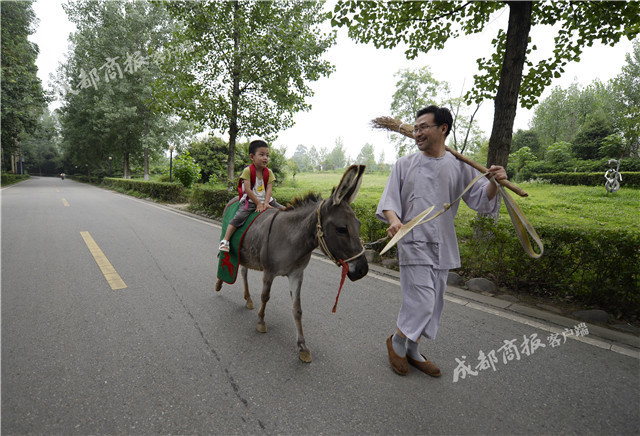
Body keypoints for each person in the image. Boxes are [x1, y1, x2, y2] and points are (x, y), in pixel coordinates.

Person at [376, 105, 508, 377]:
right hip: (413, 241)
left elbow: (482, 200)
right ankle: (397, 342)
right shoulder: (404, 164)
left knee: (434, 303)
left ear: (443, 129)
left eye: (424, 127)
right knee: (421, 301)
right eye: (415, 128)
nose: (417, 132)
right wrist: (393, 221)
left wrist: (496, 182)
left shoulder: (459, 166)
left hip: (444, 244)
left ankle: (413, 350)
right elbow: (389, 202)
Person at [219, 139, 285, 252]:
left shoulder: (269, 172)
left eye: (267, 155)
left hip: (266, 199)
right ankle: (225, 240)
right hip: (250, 201)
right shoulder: (247, 171)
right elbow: (248, 190)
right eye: (262, 155)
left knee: (286, 211)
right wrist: (258, 203)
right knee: (238, 218)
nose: (265, 158)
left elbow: (269, 188)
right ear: (252, 156)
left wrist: (266, 203)